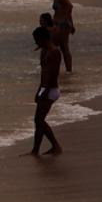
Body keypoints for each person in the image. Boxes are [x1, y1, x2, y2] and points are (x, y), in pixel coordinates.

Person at [28, 26, 63, 157]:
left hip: (51, 89)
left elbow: (53, 74)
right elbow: (43, 74)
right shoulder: (44, 51)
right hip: (44, 88)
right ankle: (44, 148)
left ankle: (46, 148)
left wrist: (45, 91)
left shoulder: (54, 52)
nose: (36, 42)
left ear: (43, 38)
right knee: (39, 120)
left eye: (37, 40)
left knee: (39, 119)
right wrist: (39, 90)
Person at [43, 0, 75, 73]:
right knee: (63, 47)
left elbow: (70, 6)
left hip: (62, 25)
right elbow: (66, 9)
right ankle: (67, 70)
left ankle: (54, 69)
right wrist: (71, 23)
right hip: (61, 24)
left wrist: (64, 20)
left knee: (57, 46)